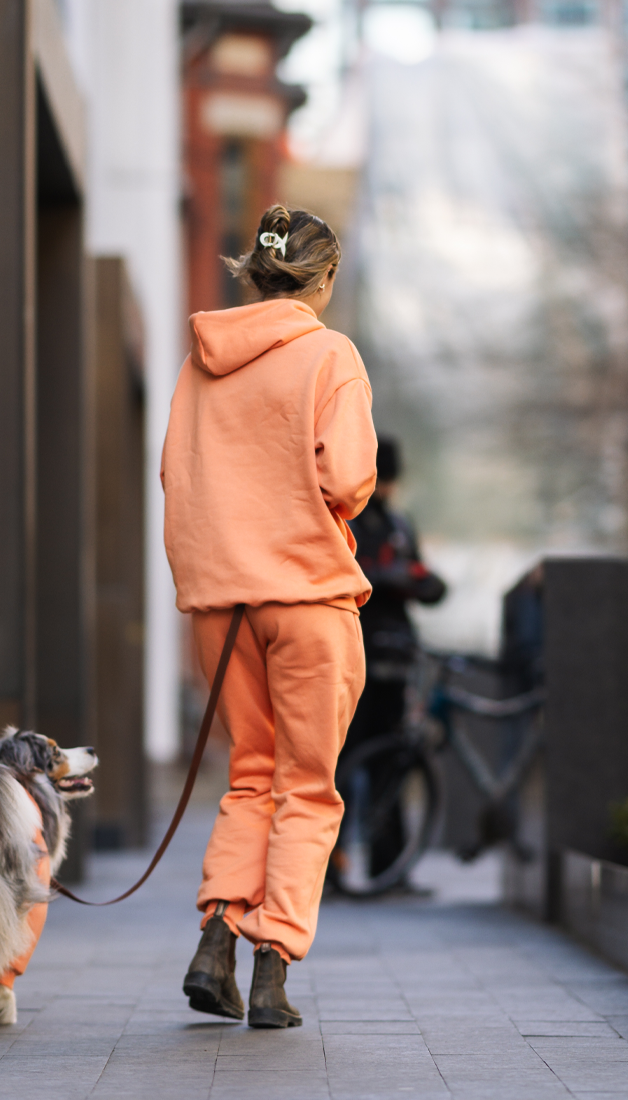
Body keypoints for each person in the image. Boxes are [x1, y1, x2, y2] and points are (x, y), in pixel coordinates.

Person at [160, 204, 377, 1028]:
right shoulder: (330, 355)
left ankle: (216, 934)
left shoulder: (201, 361)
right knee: (308, 789)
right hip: (309, 596)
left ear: (252, 272)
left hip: (223, 604)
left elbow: (174, 474)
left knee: (250, 774)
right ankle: (272, 967)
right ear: (322, 280)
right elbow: (349, 479)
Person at [342, 437, 446, 877]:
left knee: (392, 762)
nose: (384, 489)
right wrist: (389, 578)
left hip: (394, 658)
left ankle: (388, 868)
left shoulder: (400, 524)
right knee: (342, 764)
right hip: (352, 657)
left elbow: (428, 583)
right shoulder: (347, 522)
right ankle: (331, 868)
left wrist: (416, 581)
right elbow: (350, 576)